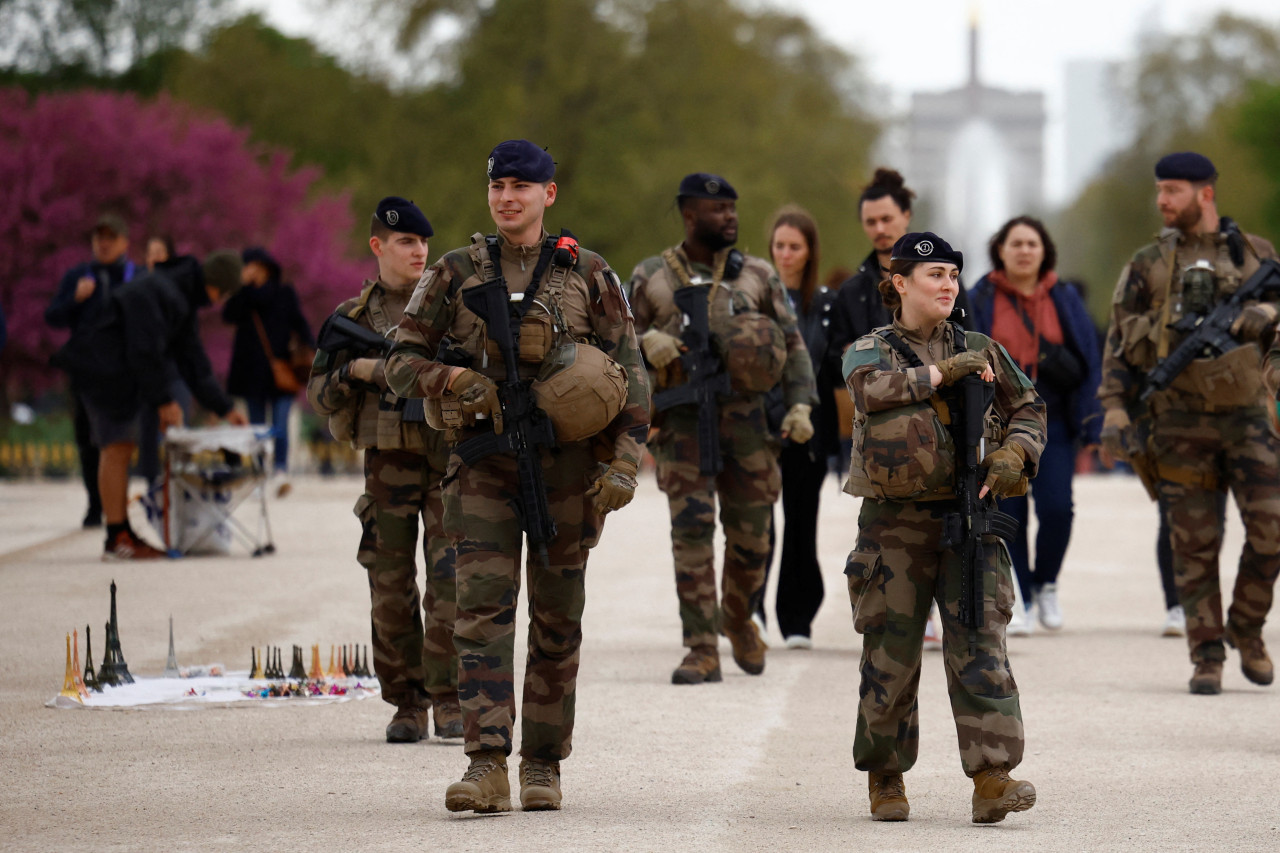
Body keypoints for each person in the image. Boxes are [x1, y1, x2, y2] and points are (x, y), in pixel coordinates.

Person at [385, 140, 650, 813]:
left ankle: (542, 763)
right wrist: (454, 378)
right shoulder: (452, 273)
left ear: (548, 194)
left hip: (566, 470)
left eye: (522, 186)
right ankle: (484, 762)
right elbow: (400, 360)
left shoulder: (588, 273)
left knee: (558, 618)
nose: (508, 197)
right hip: (480, 466)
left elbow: (632, 370)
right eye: (498, 185)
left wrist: (624, 460)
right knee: (480, 614)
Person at [843, 231, 1045, 824]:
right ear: (900, 282)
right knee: (891, 654)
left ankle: (992, 778)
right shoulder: (870, 348)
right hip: (893, 526)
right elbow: (867, 391)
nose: (947, 285)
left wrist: (1015, 455)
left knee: (982, 649)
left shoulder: (982, 348)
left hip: (969, 520)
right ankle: (885, 776)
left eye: (954, 275)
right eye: (934, 276)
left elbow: (1028, 408)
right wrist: (938, 375)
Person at [1099, 151, 1280, 695]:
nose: (1162, 200)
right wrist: (1113, 407)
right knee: (1192, 546)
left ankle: (1245, 628)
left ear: (1205, 193)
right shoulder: (1148, 263)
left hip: (1249, 417)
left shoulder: (1257, 255)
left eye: (1172, 190)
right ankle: (1206, 654)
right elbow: (1117, 339)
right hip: (1177, 420)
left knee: (1272, 531)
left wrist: (1268, 316)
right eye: (1159, 189)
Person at [629, 173, 817, 685]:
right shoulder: (651, 276)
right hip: (682, 423)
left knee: (753, 540)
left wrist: (800, 407)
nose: (730, 217)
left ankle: (736, 615)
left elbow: (793, 344)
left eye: (733, 208)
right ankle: (701, 647)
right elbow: (617, 346)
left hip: (750, 424)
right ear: (690, 216)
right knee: (691, 535)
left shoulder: (758, 275)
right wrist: (647, 340)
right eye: (719, 210)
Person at [307, 197, 462, 744]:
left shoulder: (453, 307)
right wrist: (360, 370)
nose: (418, 252)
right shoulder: (351, 319)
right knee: (390, 589)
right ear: (378, 246)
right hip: (387, 469)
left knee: (451, 586)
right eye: (405, 242)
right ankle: (406, 704)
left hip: (448, 465)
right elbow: (320, 395)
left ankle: (449, 699)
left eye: (423, 242)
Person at [53, 251, 249, 559]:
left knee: (119, 445)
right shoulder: (161, 291)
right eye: (223, 295)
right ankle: (116, 538)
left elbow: (192, 360)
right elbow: (145, 350)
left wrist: (224, 407)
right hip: (98, 366)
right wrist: (163, 401)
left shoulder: (178, 294)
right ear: (217, 287)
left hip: (111, 369)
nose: (219, 302)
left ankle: (122, 532)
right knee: (115, 447)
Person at [969, 216, 1102, 633]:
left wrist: (1092, 420)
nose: (1024, 250)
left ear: (1044, 251)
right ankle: (1021, 596)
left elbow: (1088, 360)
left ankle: (1047, 583)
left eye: (1032, 243)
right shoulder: (980, 296)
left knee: (1058, 508)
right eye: (1016, 243)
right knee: (1011, 511)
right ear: (1000, 250)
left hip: (1055, 419)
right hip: (999, 423)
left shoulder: (1062, 296)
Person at [760, 206, 840, 648]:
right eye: (779, 246)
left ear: (809, 251)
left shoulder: (826, 305)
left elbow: (832, 368)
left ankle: (796, 616)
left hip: (811, 428)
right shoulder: (753, 298)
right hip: (761, 425)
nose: (786, 254)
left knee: (801, 524)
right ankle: (751, 609)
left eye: (795, 246)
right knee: (757, 525)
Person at [45, 213, 138, 528]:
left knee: (119, 440)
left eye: (111, 237)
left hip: (123, 371)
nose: (104, 243)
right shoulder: (78, 276)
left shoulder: (134, 275)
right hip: (86, 370)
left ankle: (117, 504)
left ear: (124, 242)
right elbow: (53, 317)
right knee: (88, 439)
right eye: (99, 238)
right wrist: (75, 299)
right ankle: (95, 504)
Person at [221, 246, 314, 496]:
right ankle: (260, 471)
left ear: (261, 266)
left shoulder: (284, 292)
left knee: (281, 423)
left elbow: (299, 321)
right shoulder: (243, 295)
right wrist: (241, 288)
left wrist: (312, 348)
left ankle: (281, 470)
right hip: (251, 371)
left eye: (248, 265)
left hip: (281, 369)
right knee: (256, 426)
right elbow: (228, 315)